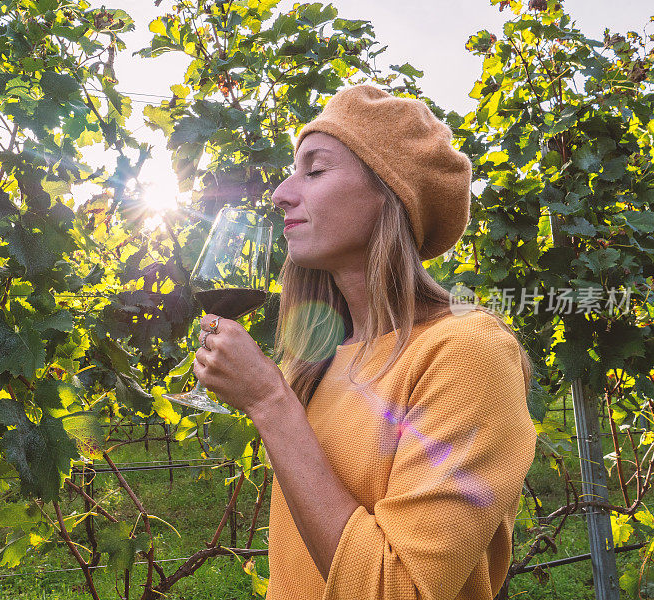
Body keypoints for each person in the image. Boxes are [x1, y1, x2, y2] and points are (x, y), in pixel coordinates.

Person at [192, 84, 537, 600]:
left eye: (315, 169)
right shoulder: (319, 359)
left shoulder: (467, 353)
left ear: (388, 194)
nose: (282, 192)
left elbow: (402, 591)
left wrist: (268, 402)